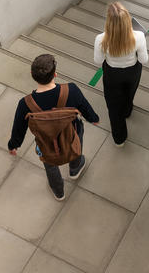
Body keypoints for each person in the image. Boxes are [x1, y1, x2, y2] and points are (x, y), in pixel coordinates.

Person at [8, 54, 99, 201]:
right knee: (75, 144)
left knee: (50, 166)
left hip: (46, 143)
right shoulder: (71, 90)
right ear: (55, 74)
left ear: (32, 75)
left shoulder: (25, 104)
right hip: (72, 133)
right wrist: (93, 119)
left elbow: (19, 128)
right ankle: (75, 168)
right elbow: (85, 108)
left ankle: (59, 192)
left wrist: (14, 145)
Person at [94, 2, 148, 146]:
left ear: (108, 22)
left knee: (113, 107)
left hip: (112, 74)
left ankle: (119, 139)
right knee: (129, 93)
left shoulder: (101, 39)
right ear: (127, 19)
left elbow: (98, 60)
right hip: (132, 71)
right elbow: (144, 60)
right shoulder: (139, 36)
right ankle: (127, 111)